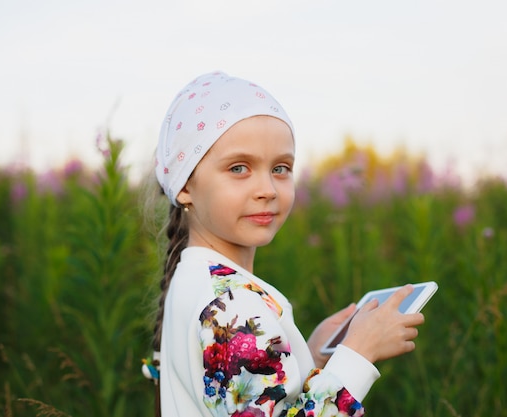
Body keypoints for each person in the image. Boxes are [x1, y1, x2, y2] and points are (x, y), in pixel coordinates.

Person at [142, 71, 425, 416]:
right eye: (239, 168)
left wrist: (310, 356)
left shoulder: (195, 280)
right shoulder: (232, 307)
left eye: (280, 168)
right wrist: (358, 355)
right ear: (185, 185)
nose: (268, 189)